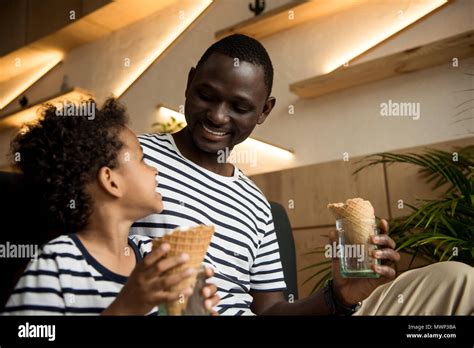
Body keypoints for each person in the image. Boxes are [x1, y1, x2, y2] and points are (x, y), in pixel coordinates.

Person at [131, 34, 473, 316]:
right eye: (207, 96)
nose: (218, 116)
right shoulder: (129, 158)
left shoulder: (256, 205)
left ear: (264, 110)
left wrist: (339, 296)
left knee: (457, 281)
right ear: (190, 83)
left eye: (239, 107)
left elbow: (270, 312)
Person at [3, 99, 219, 315]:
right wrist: (125, 308)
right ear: (111, 180)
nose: (155, 170)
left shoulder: (153, 258)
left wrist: (190, 311)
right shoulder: (58, 262)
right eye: (142, 160)